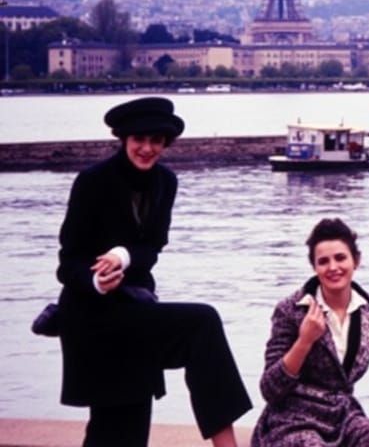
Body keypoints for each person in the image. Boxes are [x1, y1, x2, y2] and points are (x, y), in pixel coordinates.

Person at [55, 96, 252, 447]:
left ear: (165, 143)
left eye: (156, 141)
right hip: (92, 316)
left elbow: (152, 248)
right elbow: (67, 262)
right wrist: (96, 280)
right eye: (139, 140)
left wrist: (123, 255)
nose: (147, 149)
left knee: (124, 430)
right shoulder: (92, 182)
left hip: (135, 312)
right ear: (123, 139)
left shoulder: (166, 182)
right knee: (201, 323)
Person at [250, 217, 369, 447]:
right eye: (323, 261)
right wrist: (304, 341)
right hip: (293, 419)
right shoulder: (290, 310)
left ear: (356, 261)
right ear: (314, 267)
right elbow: (269, 389)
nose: (333, 267)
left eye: (340, 258)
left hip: (342, 417)